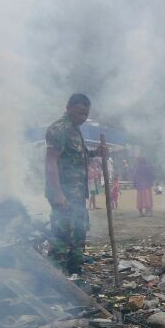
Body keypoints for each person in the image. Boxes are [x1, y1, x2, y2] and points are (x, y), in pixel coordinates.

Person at [45, 93, 102, 275]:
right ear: (68, 108)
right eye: (79, 113)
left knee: (78, 235)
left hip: (77, 195)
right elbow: (51, 162)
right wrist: (58, 193)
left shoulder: (75, 130)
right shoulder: (58, 129)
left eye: (85, 114)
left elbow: (78, 157)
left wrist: (96, 153)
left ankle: (74, 274)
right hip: (63, 194)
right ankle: (56, 280)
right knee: (62, 239)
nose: (83, 118)